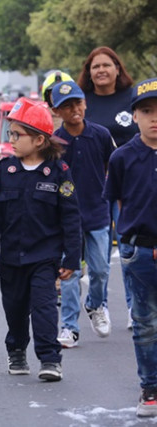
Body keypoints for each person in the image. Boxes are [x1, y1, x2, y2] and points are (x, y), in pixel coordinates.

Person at [0, 97, 81, 382]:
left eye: (17, 134)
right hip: (11, 257)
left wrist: (71, 257)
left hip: (44, 257)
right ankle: (16, 350)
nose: (11, 139)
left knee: (44, 308)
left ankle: (50, 359)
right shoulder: (5, 170)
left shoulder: (59, 173)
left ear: (38, 140)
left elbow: (71, 218)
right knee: (14, 310)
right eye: (10, 133)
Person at [103, 77, 157, 417]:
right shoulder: (122, 158)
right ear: (134, 116)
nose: (154, 118)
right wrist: (128, 244)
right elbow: (118, 203)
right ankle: (149, 388)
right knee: (145, 321)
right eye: (147, 110)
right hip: (138, 252)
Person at [50, 81, 116, 348]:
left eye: (77, 103)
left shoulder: (101, 134)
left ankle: (95, 304)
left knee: (100, 270)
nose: (74, 109)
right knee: (69, 273)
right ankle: (69, 326)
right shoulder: (53, 142)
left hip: (98, 213)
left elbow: (116, 166)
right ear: (57, 110)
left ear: (85, 104)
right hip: (66, 219)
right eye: (66, 106)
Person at [77, 46, 139, 328]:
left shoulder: (132, 98)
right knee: (99, 258)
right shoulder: (81, 101)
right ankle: (98, 305)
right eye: (95, 66)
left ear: (117, 68)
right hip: (93, 190)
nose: (100, 70)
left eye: (106, 65)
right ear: (88, 73)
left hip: (131, 187)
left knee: (130, 248)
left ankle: (134, 308)